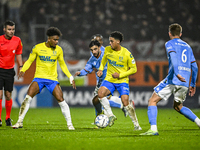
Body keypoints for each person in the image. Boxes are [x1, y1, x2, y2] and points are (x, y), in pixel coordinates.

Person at [140, 23, 200, 136]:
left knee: (152, 101)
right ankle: (199, 122)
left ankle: (153, 129)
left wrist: (177, 73)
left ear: (169, 33)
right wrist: (193, 83)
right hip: (185, 81)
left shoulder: (169, 43)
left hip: (173, 78)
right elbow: (195, 67)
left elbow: (173, 58)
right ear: (180, 34)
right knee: (178, 106)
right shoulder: (188, 46)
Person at [12, 27, 76, 130]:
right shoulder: (37, 48)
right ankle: (19, 122)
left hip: (52, 80)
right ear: (49, 39)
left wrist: (70, 76)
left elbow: (63, 65)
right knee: (27, 98)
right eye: (55, 40)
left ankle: (70, 124)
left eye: (57, 40)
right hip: (39, 79)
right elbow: (29, 60)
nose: (57, 42)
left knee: (61, 100)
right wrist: (23, 70)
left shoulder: (59, 50)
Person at [97, 31, 141, 130]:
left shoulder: (126, 53)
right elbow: (104, 59)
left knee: (125, 102)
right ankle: (111, 115)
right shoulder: (108, 50)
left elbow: (134, 69)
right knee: (100, 93)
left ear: (118, 42)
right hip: (109, 79)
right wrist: (100, 69)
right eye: (109, 41)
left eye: (111, 41)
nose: (109, 43)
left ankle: (136, 125)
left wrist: (120, 75)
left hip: (122, 81)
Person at [74, 40, 128, 120]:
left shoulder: (107, 55)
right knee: (95, 101)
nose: (94, 52)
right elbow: (87, 69)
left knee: (101, 98)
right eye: (92, 50)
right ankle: (121, 105)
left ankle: (107, 116)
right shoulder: (92, 60)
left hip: (109, 82)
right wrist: (80, 73)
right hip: (100, 83)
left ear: (99, 48)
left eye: (95, 49)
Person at [0, 20, 23, 126]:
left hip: (10, 71)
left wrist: (21, 66)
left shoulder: (17, 40)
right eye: (9, 29)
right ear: (4, 29)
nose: (11, 31)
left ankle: (8, 118)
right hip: (0, 70)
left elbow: (18, 54)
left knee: (8, 95)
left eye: (13, 29)